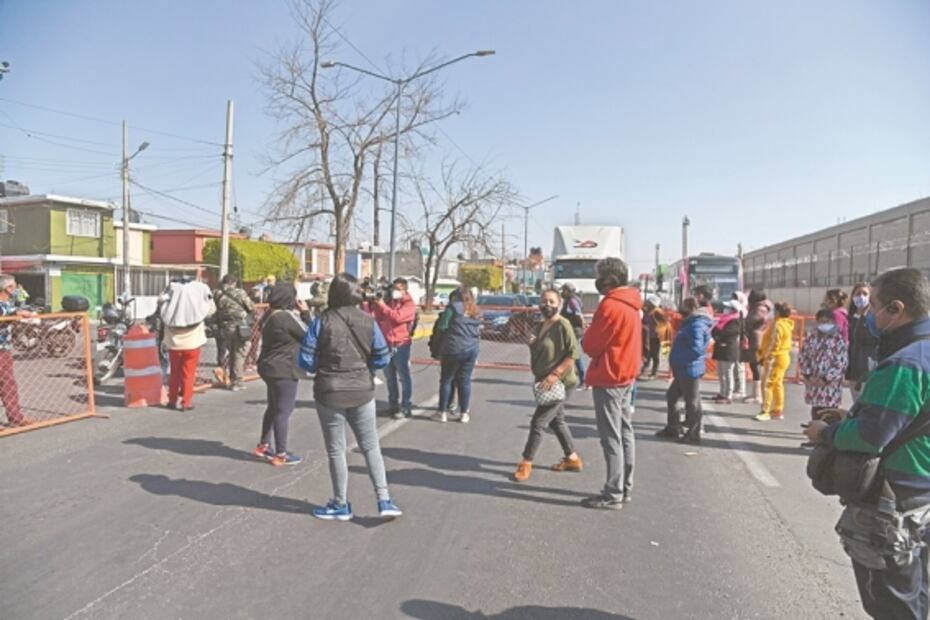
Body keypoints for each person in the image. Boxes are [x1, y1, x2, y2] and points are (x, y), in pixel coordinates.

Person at [804, 268, 930, 620]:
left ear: (896, 309)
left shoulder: (905, 363)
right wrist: (856, 415)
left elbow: (870, 437)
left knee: (892, 605)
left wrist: (824, 433)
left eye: (872, 304)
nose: (866, 312)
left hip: (896, 500)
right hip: (922, 494)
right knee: (916, 596)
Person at [298, 273, 402, 521]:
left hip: (329, 391)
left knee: (336, 450)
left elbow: (306, 361)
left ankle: (340, 503)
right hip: (362, 391)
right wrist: (367, 368)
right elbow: (383, 355)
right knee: (370, 446)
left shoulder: (321, 321)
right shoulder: (368, 321)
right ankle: (384, 499)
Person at [580, 257, 642, 510]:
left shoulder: (610, 307)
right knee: (625, 431)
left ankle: (613, 492)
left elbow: (592, 345)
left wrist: (587, 336)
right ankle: (624, 487)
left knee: (611, 437)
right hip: (626, 373)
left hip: (610, 375)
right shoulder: (632, 304)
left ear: (610, 280)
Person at [513, 289, 583, 481]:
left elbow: (573, 354)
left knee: (538, 422)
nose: (547, 305)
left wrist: (555, 374)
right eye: (544, 301)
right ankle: (572, 458)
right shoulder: (539, 326)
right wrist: (532, 342)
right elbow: (538, 349)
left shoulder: (563, 324)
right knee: (557, 421)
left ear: (559, 304)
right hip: (543, 380)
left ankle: (526, 463)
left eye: (552, 301)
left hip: (561, 382)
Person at [255, 284, 311, 466]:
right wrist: (305, 313)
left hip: (267, 365)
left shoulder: (269, 315)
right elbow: (308, 335)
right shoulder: (285, 317)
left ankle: (263, 445)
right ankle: (281, 453)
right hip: (283, 368)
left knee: (273, 407)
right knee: (283, 411)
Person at [656, 298, 713, 443]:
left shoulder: (696, 324)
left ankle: (693, 433)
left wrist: (682, 360)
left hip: (689, 368)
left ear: (692, 307)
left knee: (692, 401)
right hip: (684, 369)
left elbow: (697, 349)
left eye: (684, 306)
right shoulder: (692, 323)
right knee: (672, 396)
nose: (680, 308)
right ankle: (673, 427)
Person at [160, 277, 215, 412]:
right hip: (193, 341)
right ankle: (186, 402)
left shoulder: (170, 289)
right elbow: (211, 309)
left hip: (174, 342)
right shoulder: (200, 288)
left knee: (174, 373)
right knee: (188, 374)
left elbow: (161, 304)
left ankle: (172, 400)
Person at [371, 277, 417, 419]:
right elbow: (379, 317)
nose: (394, 291)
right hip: (387, 344)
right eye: (393, 288)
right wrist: (377, 304)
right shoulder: (390, 301)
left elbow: (397, 317)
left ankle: (406, 407)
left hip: (401, 345)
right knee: (389, 377)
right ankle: (393, 406)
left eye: (398, 289)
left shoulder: (409, 304)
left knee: (403, 377)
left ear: (404, 289)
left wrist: (383, 306)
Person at [433, 286, 481, 424]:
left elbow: (442, 326)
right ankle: (464, 413)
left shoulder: (452, 307)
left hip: (454, 348)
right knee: (465, 381)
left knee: (447, 379)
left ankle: (442, 412)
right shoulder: (474, 309)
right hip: (472, 349)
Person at [798, 308, 847, 421]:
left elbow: (841, 362)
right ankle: (815, 433)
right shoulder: (811, 338)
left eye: (828, 321)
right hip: (814, 383)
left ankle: (828, 434)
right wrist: (808, 375)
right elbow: (803, 357)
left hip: (830, 385)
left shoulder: (838, 340)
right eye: (821, 321)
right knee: (816, 410)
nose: (824, 324)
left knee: (830, 413)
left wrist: (826, 378)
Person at [0, 274, 33, 427]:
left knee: (8, 383)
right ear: (7, 288)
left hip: (5, 349)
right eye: (14, 286)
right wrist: (15, 315)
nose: (16, 289)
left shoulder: (8, 303)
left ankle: (16, 417)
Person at [213, 274, 255, 391]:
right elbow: (251, 307)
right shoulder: (240, 292)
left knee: (231, 352)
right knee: (240, 353)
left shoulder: (217, 293)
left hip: (225, 327)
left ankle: (232, 378)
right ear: (233, 283)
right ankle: (237, 381)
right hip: (240, 326)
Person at [755, 302, 794, 421]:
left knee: (767, 384)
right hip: (783, 357)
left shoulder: (778, 325)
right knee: (777, 384)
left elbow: (774, 343)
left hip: (775, 357)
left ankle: (765, 410)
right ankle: (777, 410)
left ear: (778, 312)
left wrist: (765, 356)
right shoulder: (787, 323)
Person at [846, 282, 878, 403]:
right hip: (853, 368)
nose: (861, 297)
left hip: (869, 367)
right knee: (856, 402)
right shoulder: (849, 318)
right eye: (858, 293)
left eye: (865, 293)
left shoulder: (875, 318)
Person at [742, 289, 773, 404]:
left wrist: (745, 321)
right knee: (754, 365)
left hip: (756, 338)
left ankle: (757, 395)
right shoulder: (763, 307)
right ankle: (756, 393)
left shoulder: (759, 309)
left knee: (755, 365)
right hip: (757, 337)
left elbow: (753, 321)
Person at [711, 299, 743, 404]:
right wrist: (718, 335)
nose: (725, 309)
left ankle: (728, 396)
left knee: (728, 373)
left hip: (729, 350)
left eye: (728, 308)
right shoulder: (723, 319)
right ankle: (722, 393)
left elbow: (726, 333)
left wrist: (718, 334)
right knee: (721, 373)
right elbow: (714, 331)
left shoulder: (736, 321)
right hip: (721, 348)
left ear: (733, 310)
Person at [560, 283, 587, 388]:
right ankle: (572, 375)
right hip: (572, 330)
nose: (562, 292)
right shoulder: (572, 300)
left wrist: (583, 324)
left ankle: (583, 380)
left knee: (574, 354)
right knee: (570, 353)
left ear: (568, 290)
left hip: (575, 331)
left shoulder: (572, 301)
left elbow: (578, 314)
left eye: (564, 290)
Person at [640, 295, 663, 380]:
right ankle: (644, 369)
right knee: (647, 353)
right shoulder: (646, 311)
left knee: (655, 354)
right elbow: (643, 320)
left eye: (649, 302)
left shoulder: (658, 313)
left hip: (656, 336)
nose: (647, 303)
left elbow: (660, 325)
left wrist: (649, 327)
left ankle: (654, 372)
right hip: (647, 336)